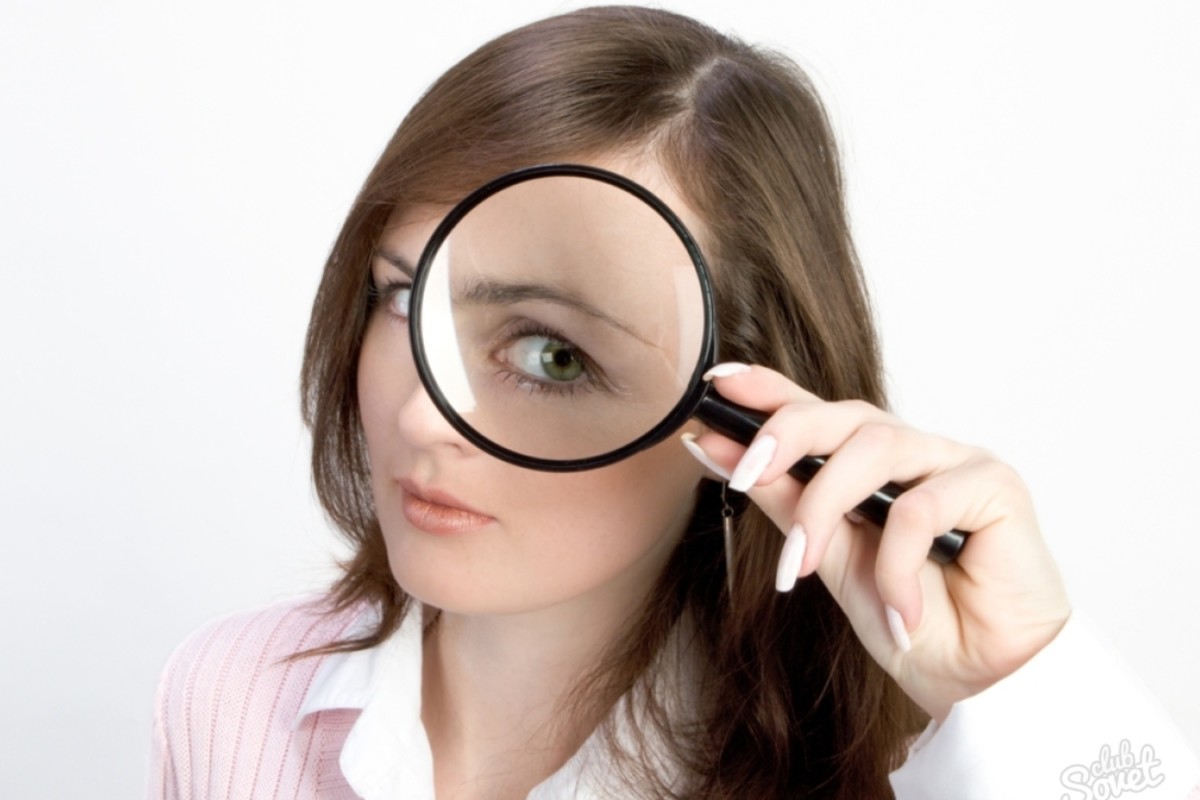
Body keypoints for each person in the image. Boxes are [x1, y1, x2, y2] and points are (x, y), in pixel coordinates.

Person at [147, 6, 1199, 798]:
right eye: (403, 298)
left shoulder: (873, 776)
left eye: (555, 354)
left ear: (743, 404)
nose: (421, 418)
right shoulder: (231, 699)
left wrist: (1023, 682)